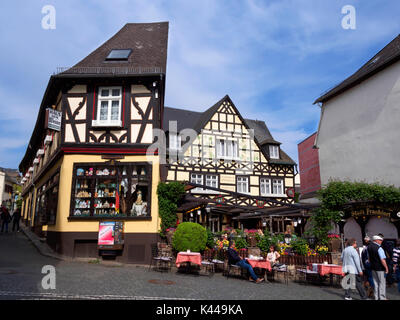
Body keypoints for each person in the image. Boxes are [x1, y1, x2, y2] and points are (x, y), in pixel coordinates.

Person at [367, 235, 389, 300]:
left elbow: (369, 258)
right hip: (380, 268)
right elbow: (382, 260)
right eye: (380, 240)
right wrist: (386, 267)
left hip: (373, 268)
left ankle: (376, 297)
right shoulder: (379, 248)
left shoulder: (369, 247)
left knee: (376, 283)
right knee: (382, 283)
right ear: (376, 240)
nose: (381, 241)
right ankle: (382, 297)